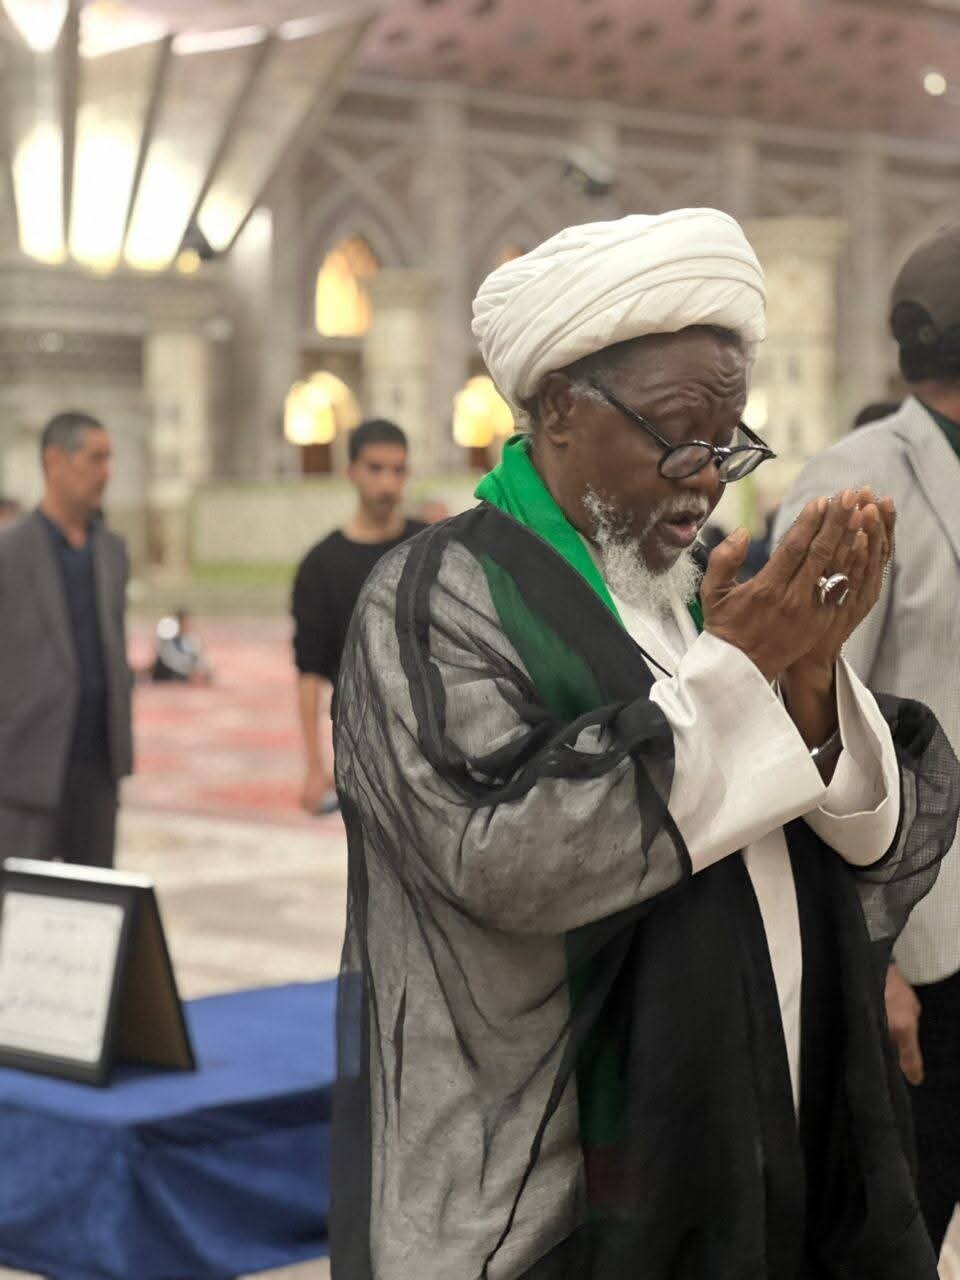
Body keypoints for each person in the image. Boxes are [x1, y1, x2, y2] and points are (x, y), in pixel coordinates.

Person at [330, 210, 959, 1279]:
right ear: (559, 410)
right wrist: (743, 675)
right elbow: (504, 857)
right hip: (570, 1182)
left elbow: (858, 842)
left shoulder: (700, 580)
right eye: (676, 436)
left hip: (763, 1123)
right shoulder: (440, 595)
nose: (707, 479)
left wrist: (811, 683)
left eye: (727, 442)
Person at [775, 224, 960, 1255]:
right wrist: (868, 959)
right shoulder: (858, 480)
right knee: (897, 1233)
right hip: (922, 952)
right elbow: (809, 726)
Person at [0, 411, 133, 869]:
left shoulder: (111, 551)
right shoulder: (10, 553)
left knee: (94, 900)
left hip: (97, 767)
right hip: (26, 769)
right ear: (54, 461)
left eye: (109, 459)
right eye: (95, 458)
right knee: (21, 902)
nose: (106, 473)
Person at [292, 419, 426, 814]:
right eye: (376, 469)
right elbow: (309, 672)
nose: (388, 483)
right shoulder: (321, 565)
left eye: (398, 470)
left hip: (436, 742)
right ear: (351, 472)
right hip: (363, 746)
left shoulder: (430, 547)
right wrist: (315, 766)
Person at [150, 609, 213, 684]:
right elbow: (168, 660)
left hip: (186, 671)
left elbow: (198, 658)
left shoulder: (193, 639)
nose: (186, 626)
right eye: (183, 623)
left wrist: (203, 670)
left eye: (187, 623)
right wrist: (188, 672)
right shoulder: (168, 638)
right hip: (170, 670)